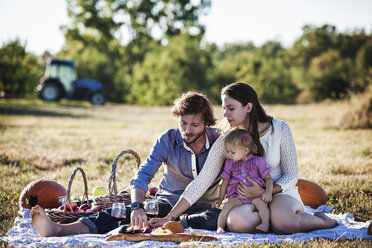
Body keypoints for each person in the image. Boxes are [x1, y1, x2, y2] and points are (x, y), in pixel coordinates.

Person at [150, 82, 338, 234]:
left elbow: (291, 175)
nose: (225, 114)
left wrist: (265, 192)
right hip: (245, 199)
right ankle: (268, 219)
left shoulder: (280, 129)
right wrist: (170, 217)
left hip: (279, 193)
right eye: (224, 108)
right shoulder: (227, 138)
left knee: (284, 224)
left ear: (248, 107)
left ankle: (322, 221)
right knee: (237, 223)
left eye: (230, 108)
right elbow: (202, 180)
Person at [30, 91, 222, 236]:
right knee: (119, 212)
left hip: (203, 207)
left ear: (207, 123)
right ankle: (59, 229)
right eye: (183, 123)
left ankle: (176, 223)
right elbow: (143, 175)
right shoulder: (167, 139)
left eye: (194, 125)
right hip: (167, 202)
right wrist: (137, 205)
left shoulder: (219, 142)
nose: (187, 130)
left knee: (218, 218)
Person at [216, 127, 273, 234]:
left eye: (232, 152)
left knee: (262, 205)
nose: (229, 155)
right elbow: (225, 182)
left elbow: (268, 178)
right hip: (238, 196)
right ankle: (220, 227)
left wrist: (268, 192)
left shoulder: (258, 161)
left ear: (245, 150)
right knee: (227, 206)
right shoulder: (230, 163)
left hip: (256, 196)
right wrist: (220, 198)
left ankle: (265, 223)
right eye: (227, 151)